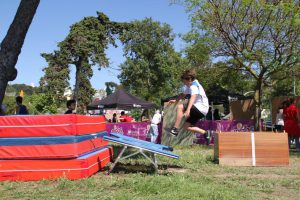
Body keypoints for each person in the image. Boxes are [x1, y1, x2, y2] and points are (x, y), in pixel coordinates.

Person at [167, 68, 211, 143]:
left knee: (180, 107)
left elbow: (193, 97)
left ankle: (175, 129)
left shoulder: (194, 86)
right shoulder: (190, 85)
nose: (182, 82)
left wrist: (188, 110)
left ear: (188, 79)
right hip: (202, 111)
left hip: (200, 107)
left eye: (183, 80)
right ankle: (205, 133)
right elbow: (183, 95)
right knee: (186, 127)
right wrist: (176, 100)